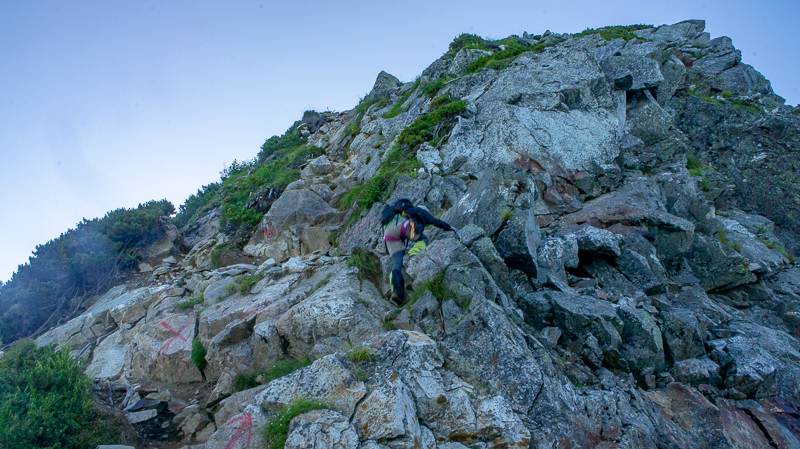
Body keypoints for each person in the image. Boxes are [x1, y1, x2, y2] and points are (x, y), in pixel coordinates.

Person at [381, 198, 458, 305]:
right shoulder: (421, 212)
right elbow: (437, 222)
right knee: (423, 239)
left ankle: (396, 293)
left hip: (389, 232)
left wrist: (389, 251)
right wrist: (450, 227)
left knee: (396, 264)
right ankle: (413, 255)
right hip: (404, 226)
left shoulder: (396, 214)